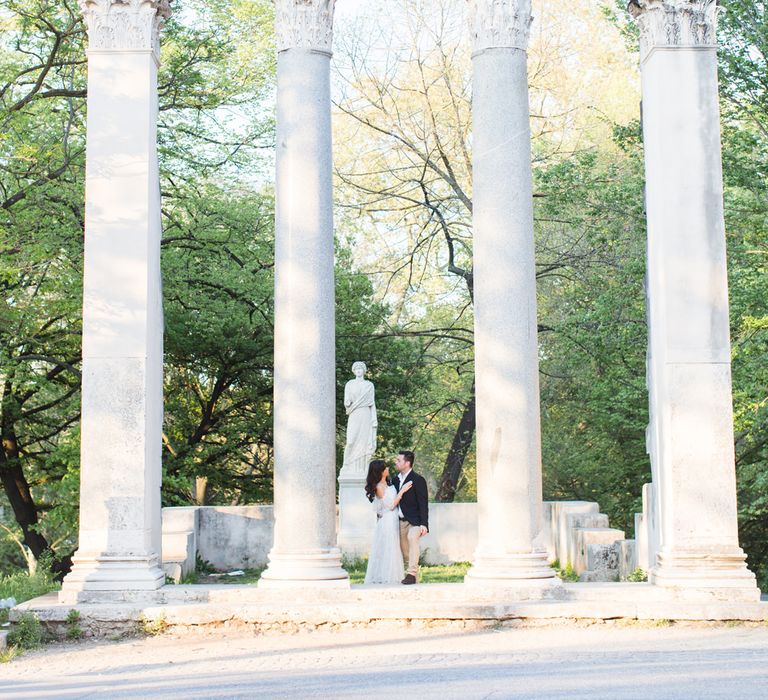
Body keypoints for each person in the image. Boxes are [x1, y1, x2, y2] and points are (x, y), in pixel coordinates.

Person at [363, 460, 412, 585]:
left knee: (394, 547)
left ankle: (394, 575)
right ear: (380, 471)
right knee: (389, 547)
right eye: (385, 468)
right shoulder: (379, 487)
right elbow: (390, 506)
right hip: (388, 520)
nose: (388, 469)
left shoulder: (390, 483)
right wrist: (402, 491)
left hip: (394, 518)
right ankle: (386, 576)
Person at [393, 450, 429, 584]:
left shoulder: (418, 480)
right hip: (400, 521)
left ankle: (411, 573)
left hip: (415, 521)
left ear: (407, 463)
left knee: (412, 538)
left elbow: (423, 503)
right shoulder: (394, 480)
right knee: (405, 552)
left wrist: (424, 524)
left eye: (398, 460)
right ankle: (413, 578)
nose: (396, 462)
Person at [341, 362, 377, 477]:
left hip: (366, 414)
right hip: (354, 413)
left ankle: (363, 468)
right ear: (353, 371)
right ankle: (347, 465)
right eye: (356, 369)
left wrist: (374, 419)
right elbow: (346, 401)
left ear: (364, 371)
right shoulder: (349, 384)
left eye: (361, 368)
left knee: (364, 442)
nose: (358, 370)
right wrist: (347, 403)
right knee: (351, 441)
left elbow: (372, 403)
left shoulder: (369, 385)